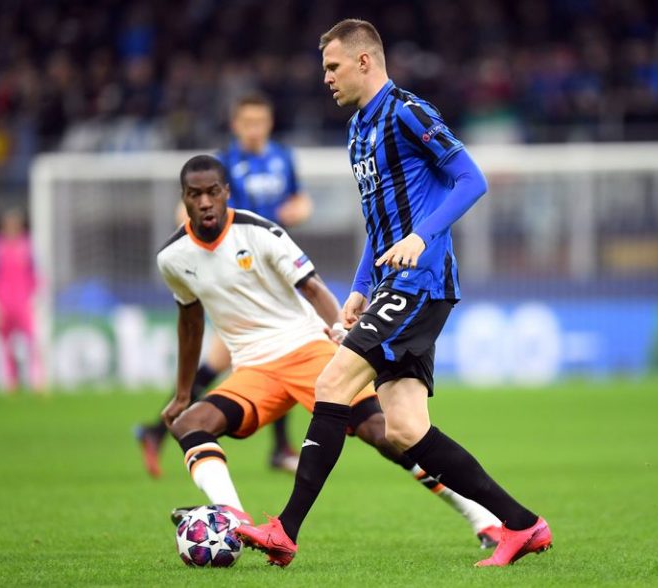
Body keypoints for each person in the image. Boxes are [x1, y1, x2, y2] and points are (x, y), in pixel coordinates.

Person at [236, 19, 552, 568]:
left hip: (421, 281)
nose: (326, 77)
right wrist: (361, 288)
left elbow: (472, 179)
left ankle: (285, 531)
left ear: (364, 61)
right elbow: (379, 222)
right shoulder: (357, 130)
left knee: (332, 381)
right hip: (392, 283)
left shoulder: (408, 112)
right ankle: (523, 525)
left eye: (333, 66)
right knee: (405, 428)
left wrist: (421, 236)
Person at [158, 154, 503, 549]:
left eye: (212, 192)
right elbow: (190, 323)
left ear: (226, 193)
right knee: (190, 423)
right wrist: (183, 393)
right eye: (195, 194)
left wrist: (342, 334)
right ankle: (232, 519)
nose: (205, 202)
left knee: (385, 432)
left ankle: (484, 518)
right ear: (183, 197)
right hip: (253, 369)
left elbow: (313, 287)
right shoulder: (172, 257)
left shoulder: (259, 232)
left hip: (307, 348)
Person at [135, 94, 313, 477]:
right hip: (238, 275)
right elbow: (186, 210)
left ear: (269, 123)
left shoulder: (283, 158)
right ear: (235, 125)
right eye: (247, 122)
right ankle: (278, 447)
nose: (254, 129)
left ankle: (157, 430)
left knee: (228, 362)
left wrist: (299, 209)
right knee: (278, 349)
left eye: (260, 122)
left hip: (273, 268)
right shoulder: (222, 164)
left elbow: (300, 200)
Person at [0, 208, 44, 392]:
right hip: (3, 302)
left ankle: (36, 380)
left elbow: (35, 272)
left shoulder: (27, 246)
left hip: (23, 301)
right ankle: (10, 382)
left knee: (32, 341)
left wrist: (36, 295)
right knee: (5, 344)